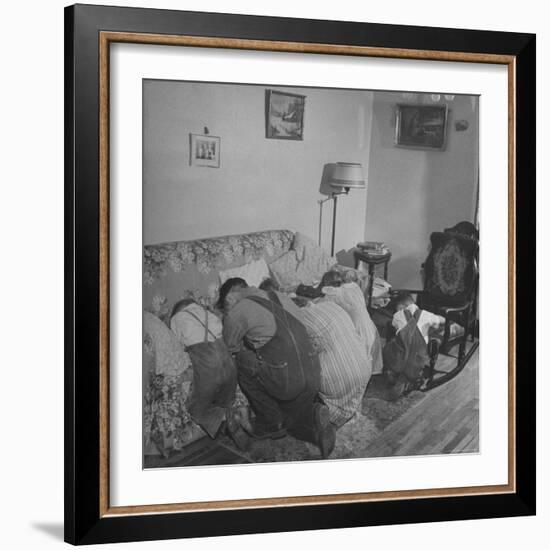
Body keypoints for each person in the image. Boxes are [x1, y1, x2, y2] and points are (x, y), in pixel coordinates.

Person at [218, 277, 336, 458]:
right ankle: (312, 417)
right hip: (313, 371)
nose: (227, 314)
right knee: (292, 419)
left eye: (225, 310)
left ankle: (270, 420)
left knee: (241, 360)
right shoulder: (280, 296)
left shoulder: (238, 309)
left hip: (286, 379)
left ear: (229, 299)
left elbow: (230, 347)